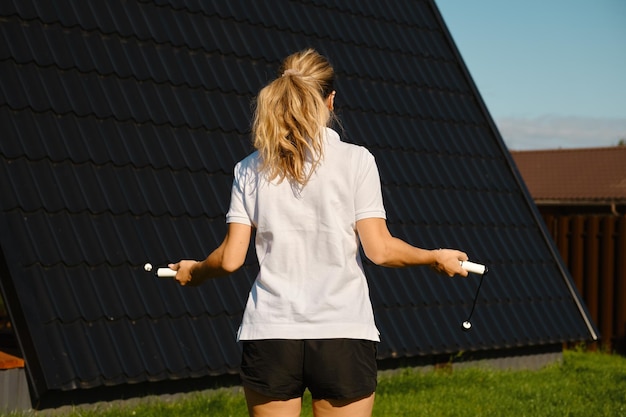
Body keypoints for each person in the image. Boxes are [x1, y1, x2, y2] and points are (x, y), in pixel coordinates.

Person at [169, 48, 469, 417]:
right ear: (330, 100)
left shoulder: (249, 168)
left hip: (271, 333)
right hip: (343, 330)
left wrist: (195, 271)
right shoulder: (357, 160)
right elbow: (380, 250)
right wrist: (434, 256)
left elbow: (231, 260)